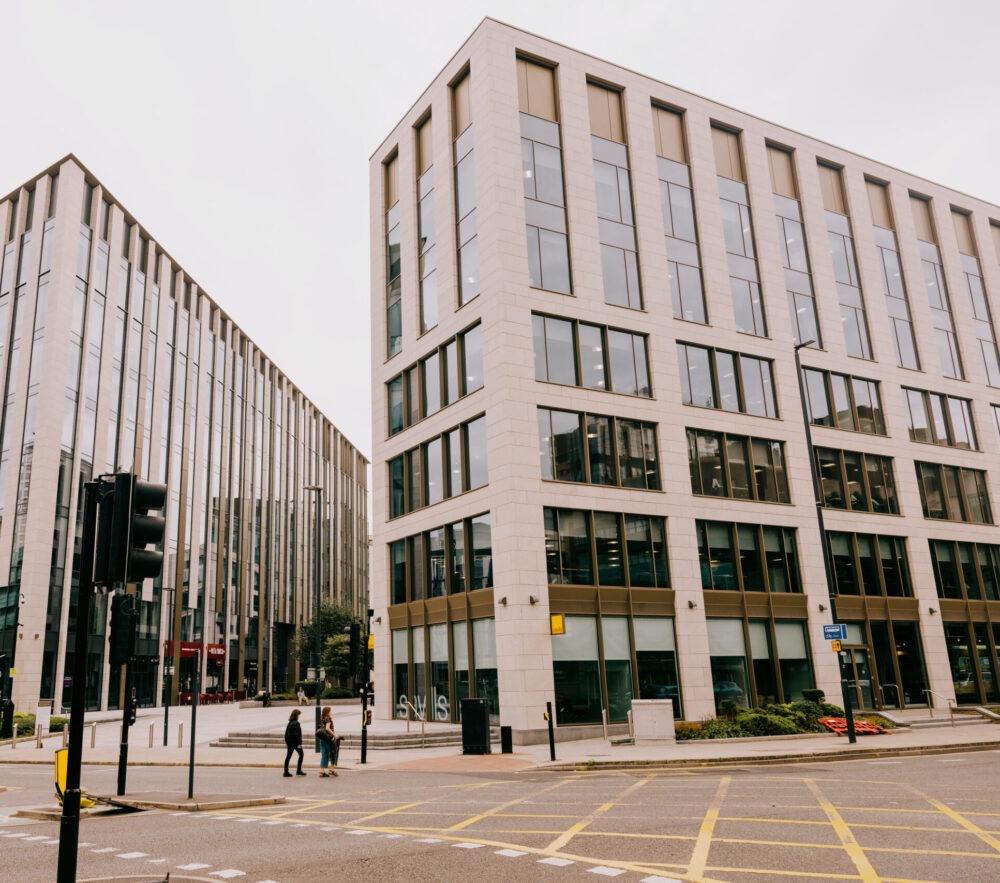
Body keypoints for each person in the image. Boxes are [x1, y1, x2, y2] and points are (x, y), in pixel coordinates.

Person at [283, 709, 306, 777]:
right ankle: (299, 770)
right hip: (295, 743)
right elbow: (297, 734)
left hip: (289, 742)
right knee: (301, 755)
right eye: (299, 715)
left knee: (288, 756)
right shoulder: (296, 723)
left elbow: (286, 734)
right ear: (296, 715)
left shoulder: (290, 722)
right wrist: (299, 744)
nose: (299, 716)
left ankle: (286, 771)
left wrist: (287, 741)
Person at [318, 706, 338, 777]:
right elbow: (327, 728)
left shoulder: (322, 719)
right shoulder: (328, 718)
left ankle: (322, 771)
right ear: (327, 712)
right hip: (329, 739)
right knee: (333, 753)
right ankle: (331, 770)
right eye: (330, 711)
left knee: (324, 755)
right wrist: (334, 735)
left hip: (323, 739)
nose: (331, 712)